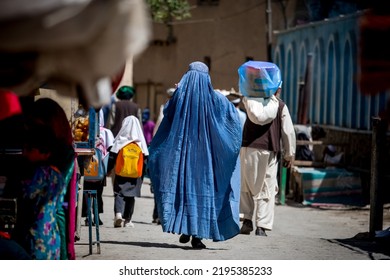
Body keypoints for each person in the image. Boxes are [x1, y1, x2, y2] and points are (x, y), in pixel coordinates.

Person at [148, 61, 242, 249]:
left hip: (181, 156)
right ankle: (197, 236)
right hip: (206, 158)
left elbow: (167, 111)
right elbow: (233, 116)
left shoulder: (180, 96)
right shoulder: (215, 99)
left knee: (183, 190)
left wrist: (177, 93)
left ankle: (184, 228)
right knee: (203, 192)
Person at [238, 61, 296, 237]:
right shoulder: (280, 106)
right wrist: (289, 154)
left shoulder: (248, 101)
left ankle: (246, 220)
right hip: (269, 151)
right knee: (267, 187)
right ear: (276, 88)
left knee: (246, 184)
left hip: (248, 148)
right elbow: (288, 132)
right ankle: (261, 226)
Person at [22, 97, 76, 259]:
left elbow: (57, 206)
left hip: (42, 234)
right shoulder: (49, 158)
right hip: (49, 237)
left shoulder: (60, 157)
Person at [11, 123, 68, 259]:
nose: (24, 153)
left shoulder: (38, 174)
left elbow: (25, 193)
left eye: (29, 149)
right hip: (52, 236)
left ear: (44, 151)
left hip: (36, 237)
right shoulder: (57, 173)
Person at [107, 115, 149, 228]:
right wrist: (142, 175)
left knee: (119, 194)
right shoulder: (140, 144)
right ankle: (128, 220)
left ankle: (118, 214)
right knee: (131, 195)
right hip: (135, 175)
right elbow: (145, 161)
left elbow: (111, 157)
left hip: (121, 173)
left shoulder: (120, 141)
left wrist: (108, 170)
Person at [82, 109, 114, 226]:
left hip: (86, 168)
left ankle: (87, 216)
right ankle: (97, 216)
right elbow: (111, 152)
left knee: (85, 192)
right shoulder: (106, 132)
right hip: (100, 170)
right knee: (98, 193)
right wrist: (108, 169)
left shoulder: (85, 130)